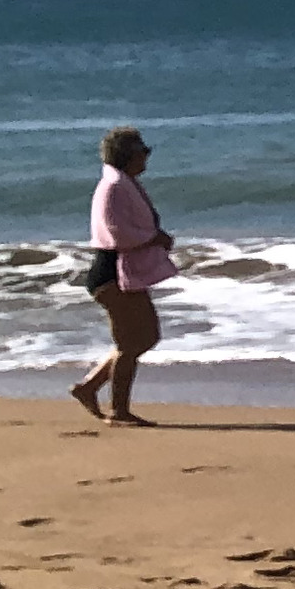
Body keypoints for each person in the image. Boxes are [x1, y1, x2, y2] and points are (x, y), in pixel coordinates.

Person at [72, 127, 180, 427]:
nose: (147, 156)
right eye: (142, 150)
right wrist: (154, 238)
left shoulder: (122, 184)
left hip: (122, 274)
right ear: (127, 155)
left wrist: (155, 237)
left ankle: (89, 388)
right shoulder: (115, 187)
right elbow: (117, 234)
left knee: (145, 337)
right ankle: (118, 410)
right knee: (130, 343)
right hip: (111, 274)